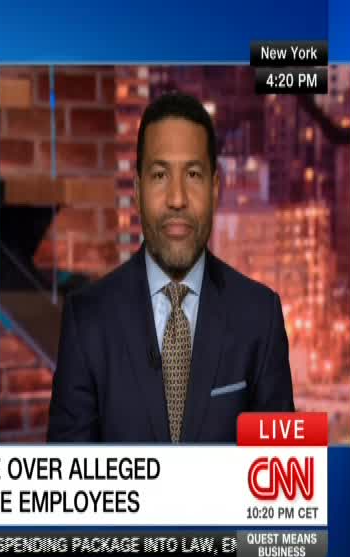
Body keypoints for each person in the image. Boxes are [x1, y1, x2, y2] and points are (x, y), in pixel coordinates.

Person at [47, 92, 294, 443]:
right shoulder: (87, 321)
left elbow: (284, 469)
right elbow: (69, 474)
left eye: (193, 174)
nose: (177, 199)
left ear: (215, 189)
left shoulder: (260, 316)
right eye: (160, 175)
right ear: (137, 191)